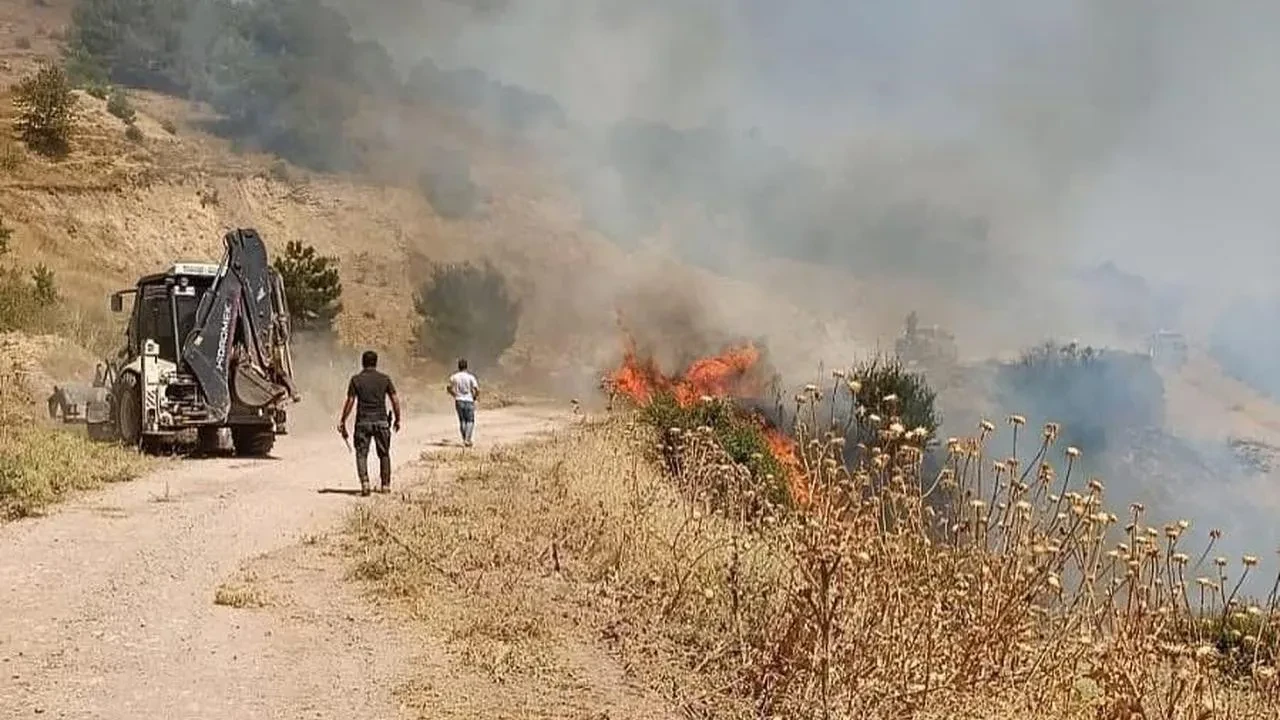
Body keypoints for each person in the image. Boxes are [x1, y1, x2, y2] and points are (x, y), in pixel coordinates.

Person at [338, 350, 402, 496]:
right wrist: (398, 419)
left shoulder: (356, 380)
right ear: (376, 362)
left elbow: (350, 401)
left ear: (363, 362)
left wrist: (343, 420)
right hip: (381, 421)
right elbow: (395, 400)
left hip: (363, 422)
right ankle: (385, 486)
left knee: (361, 454)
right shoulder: (385, 379)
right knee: (384, 454)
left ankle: (365, 484)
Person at [447, 358, 479, 447]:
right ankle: (467, 439)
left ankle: (465, 438)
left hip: (458, 400)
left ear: (458, 367)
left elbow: (448, 387)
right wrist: (475, 397)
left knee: (462, 421)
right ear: (466, 366)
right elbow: (476, 389)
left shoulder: (454, 377)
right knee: (470, 420)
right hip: (469, 400)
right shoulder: (470, 377)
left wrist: (454, 394)